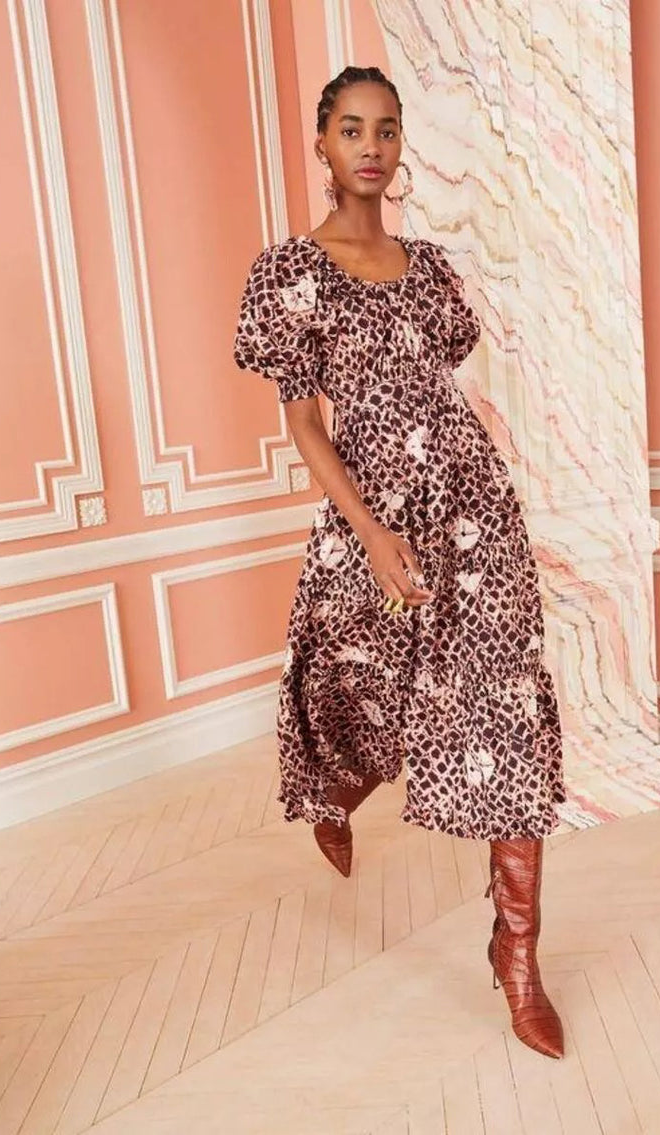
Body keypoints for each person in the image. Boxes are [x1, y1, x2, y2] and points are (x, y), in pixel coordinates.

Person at [232, 66, 566, 1060]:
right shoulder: (289, 272)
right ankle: (336, 791)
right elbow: (306, 423)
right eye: (350, 129)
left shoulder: (430, 269)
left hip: (474, 513)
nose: (370, 146)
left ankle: (517, 955)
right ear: (322, 144)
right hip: (369, 519)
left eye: (385, 129)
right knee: (364, 690)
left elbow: (435, 395)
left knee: (504, 714)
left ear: (399, 144)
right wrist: (374, 531)